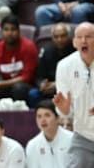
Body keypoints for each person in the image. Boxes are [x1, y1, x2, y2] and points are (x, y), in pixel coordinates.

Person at [53, 22, 94, 167]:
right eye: (79, 37)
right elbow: (66, 112)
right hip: (83, 135)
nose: (84, 41)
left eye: (88, 37)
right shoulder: (64, 66)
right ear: (74, 42)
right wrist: (64, 110)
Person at [28, 23, 75, 106]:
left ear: (69, 36)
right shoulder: (46, 52)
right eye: (56, 37)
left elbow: (78, 77)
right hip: (50, 90)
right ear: (52, 38)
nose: (59, 39)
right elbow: (39, 76)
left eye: (63, 36)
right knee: (33, 94)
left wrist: (57, 84)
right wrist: (42, 84)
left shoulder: (76, 52)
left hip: (70, 88)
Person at [25, 99, 73, 168]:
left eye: (47, 115)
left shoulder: (71, 139)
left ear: (58, 118)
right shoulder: (32, 145)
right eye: (39, 116)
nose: (43, 120)